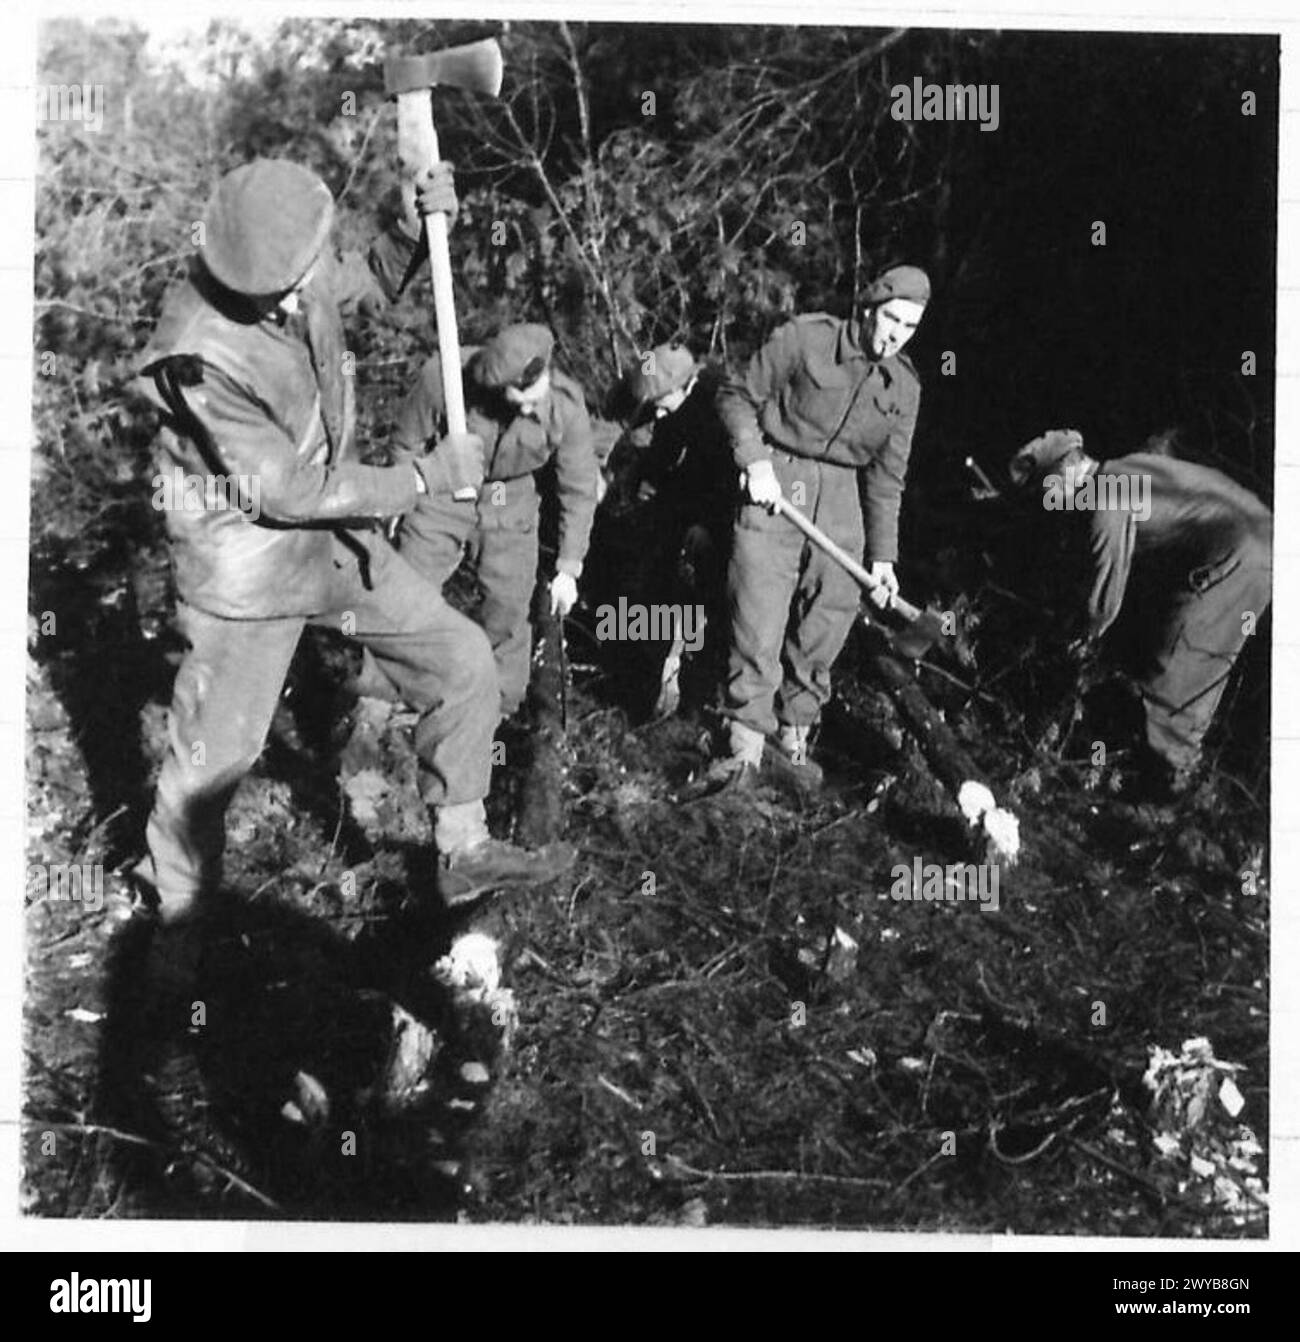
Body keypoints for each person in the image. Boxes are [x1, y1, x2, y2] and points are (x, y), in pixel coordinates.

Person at [132, 158, 573, 969]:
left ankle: (462, 845)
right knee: (213, 761)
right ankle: (177, 928)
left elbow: (361, 276)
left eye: (307, 274)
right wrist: (421, 480)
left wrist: (412, 226)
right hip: (249, 563)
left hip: (331, 534)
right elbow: (283, 490)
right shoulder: (199, 351)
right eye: (288, 291)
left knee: (463, 658)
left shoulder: (294, 266)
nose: (306, 296)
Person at [694, 264, 931, 793]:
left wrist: (884, 559)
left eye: (910, 328)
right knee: (759, 606)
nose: (895, 335)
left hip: (843, 497)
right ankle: (744, 743)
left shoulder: (904, 387)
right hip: (779, 477)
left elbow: (888, 478)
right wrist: (754, 461)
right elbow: (735, 394)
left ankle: (793, 734)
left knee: (830, 614)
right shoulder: (805, 338)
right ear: (869, 307)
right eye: (891, 318)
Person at [1008, 429, 1272, 795]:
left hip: (1243, 552)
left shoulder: (1106, 497)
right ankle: (1171, 779)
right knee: (1190, 661)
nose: (1050, 503)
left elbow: (1103, 599)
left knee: (1181, 668)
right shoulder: (1123, 469)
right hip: (1254, 537)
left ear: (1067, 472)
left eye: (1047, 492)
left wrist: (1073, 640)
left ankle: (1169, 795)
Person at [392, 324, 600, 719]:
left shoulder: (566, 407)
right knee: (405, 591)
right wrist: (402, 499)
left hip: (510, 497)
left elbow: (578, 487)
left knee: (506, 608)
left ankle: (497, 710)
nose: (526, 408)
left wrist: (569, 567)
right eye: (516, 397)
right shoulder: (445, 376)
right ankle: (380, 700)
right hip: (444, 486)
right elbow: (406, 443)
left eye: (533, 399)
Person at [620, 344, 734, 716]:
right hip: (685, 501)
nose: (656, 410)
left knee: (708, 596)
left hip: (722, 515)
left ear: (687, 385)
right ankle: (649, 666)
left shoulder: (720, 411)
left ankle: (700, 687)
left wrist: (707, 525)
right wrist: (642, 480)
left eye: (662, 401)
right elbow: (664, 451)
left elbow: (725, 477)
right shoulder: (672, 406)